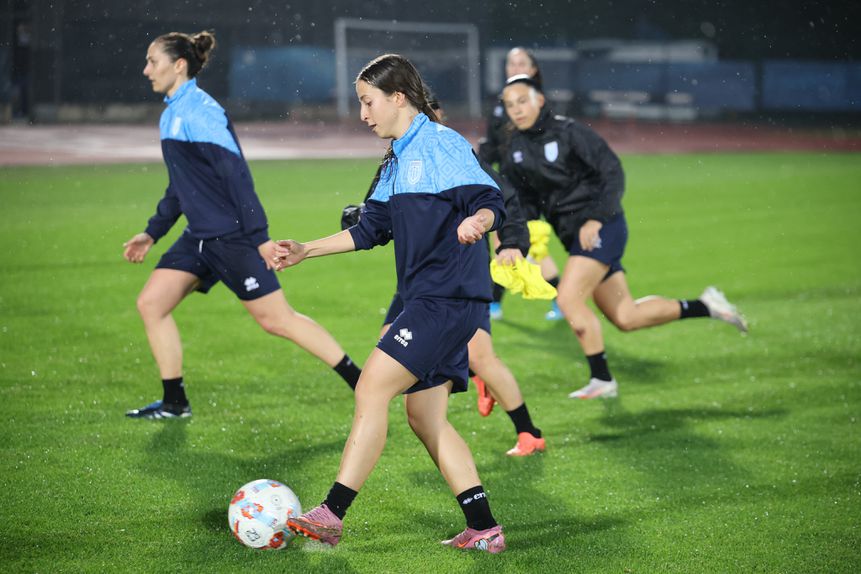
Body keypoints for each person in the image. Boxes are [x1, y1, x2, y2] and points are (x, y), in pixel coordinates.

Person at [274, 54, 507, 552]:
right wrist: (306, 250)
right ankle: (484, 528)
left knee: (372, 387)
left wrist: (479, 222)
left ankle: (331, 513)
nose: (363, 114)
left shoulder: (442, 145)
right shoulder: (397, 158)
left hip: (447, 299)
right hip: (429, 300)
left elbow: (492, 200)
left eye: (368, 101)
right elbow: (370, 229)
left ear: (397, 97)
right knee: (426, 419)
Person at [123, 31, 361, 420]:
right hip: (198, 237)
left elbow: (236, 176)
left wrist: (260, 238)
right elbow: (181, 185)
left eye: (153, 61)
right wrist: (153, 231)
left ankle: (360, 380)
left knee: (278, 320)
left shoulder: (202, 111)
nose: (146, 69)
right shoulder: (171, 114)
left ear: (178, 65)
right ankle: (174, 402)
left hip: (232, 237)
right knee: (151, 303)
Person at [498, 74, 748, 400]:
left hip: (604, 227)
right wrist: (523, 238)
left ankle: (602, 379)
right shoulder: (515, 148)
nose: (517, 110)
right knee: (626, 317)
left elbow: (612, 172)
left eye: (522, 101)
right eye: (509, 105)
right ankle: (706, 305)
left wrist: (596, 218)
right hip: (574, 239)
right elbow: (526, 201)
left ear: (539, 100)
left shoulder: (570, 132)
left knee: (568, 298)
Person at [345, 96, 545, 457]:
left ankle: (529, 432)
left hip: (459, 279)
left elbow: (504, 198)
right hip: (417, 281)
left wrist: (511, 243)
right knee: (388, 341)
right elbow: (379, 213)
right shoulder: (398, 157)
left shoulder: (454, 151)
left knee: (480, 356)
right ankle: (433, 409)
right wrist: (357, 217)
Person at [478, 46, 562, 322]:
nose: (514, 69)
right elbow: (492, 145)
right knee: (516, 244)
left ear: (534, 69)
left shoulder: (539, 104)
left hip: (529, 189)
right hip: (506, 183)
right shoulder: (501, 105)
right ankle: (496, 303)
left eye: (521, 63)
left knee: (520, 243)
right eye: (510, 64)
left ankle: (558, 299)